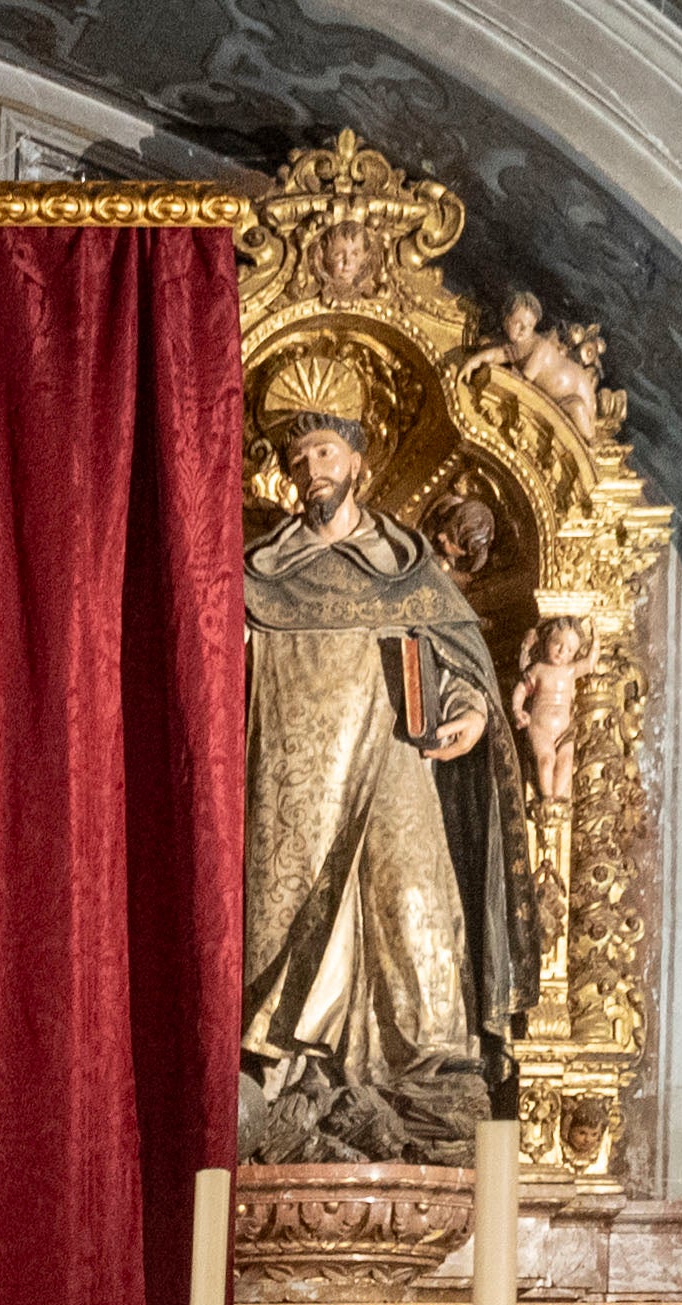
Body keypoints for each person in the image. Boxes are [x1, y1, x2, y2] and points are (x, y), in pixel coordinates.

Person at [235, 410, 531, 1165]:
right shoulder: (262, 572)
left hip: (397, 762)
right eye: (299, 461)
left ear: (358, 461)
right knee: (287, 919)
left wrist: (464, 718)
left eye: (325, 453)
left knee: (415, 906)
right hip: (291, 784)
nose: (312, 473)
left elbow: (461, 663)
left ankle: (429, 1078)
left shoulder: (405, 568)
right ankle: (293, 1076)